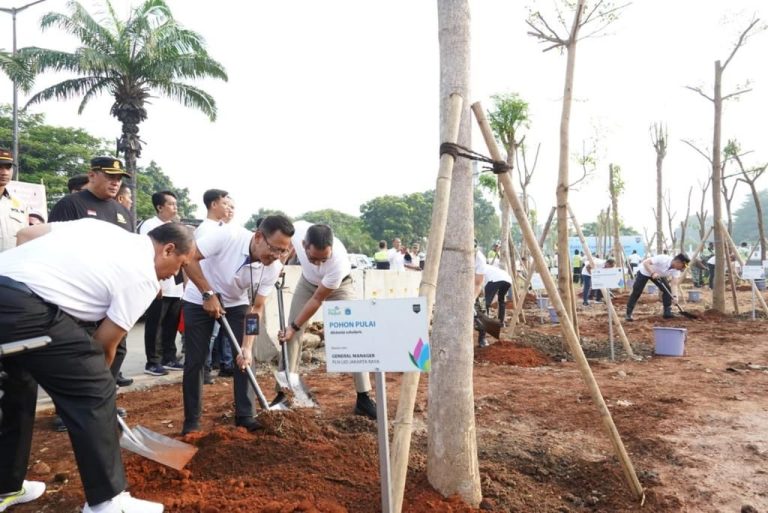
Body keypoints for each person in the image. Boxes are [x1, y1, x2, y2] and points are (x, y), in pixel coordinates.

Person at [0, 218, 194, 513]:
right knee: (95, 388)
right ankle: (107, 502)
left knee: (20, 386)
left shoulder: (99, 228)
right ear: (168, 249)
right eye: (180, 265)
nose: (175, 275)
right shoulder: (142, 275)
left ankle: (5, 485)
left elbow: (27, 234)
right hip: (27, 310)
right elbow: (105, 345)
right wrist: (95, 386)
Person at [180, 215, 294, 435]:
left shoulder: (272, 267)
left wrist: (248, 346)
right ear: (259, 236)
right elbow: (189, 259)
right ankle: (192, 421)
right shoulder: (227, 236)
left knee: (243, 358)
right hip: (198, 296)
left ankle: (245, 415)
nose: (277, 256)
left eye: (283, 251)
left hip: (236, 302)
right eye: (274, 248)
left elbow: (256, 308)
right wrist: (207, 293)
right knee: (196, 360)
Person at [47, 156, 135, 431]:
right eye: (110, 176)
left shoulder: (122, 212)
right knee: (77, 351)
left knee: (115, 348)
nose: (115, 182)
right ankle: (67, 410)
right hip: (78, 294)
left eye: (119, 178)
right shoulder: (70, 205)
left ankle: (102, 400)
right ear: (92, 175)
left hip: (112, 294)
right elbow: (54, 248)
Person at [273, 221, 377, 419]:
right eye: (314, 258)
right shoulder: (297, 231)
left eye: (324, 259)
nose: (319, 263)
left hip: (339, 286)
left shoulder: (338, 262)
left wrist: (295, 326)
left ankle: (363, 397)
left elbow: (318, 300)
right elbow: (282, 240)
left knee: (356, 334)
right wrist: (282, 259)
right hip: (308, 283)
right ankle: (283, 393)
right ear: (304, 245)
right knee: (290, 337)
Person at [140, 191, 184, 376]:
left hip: (176, 285)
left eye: (175, 204)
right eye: (171, 204)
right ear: (159, 207)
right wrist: (154, 282)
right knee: (155, 324)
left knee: (171, 324)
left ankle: (169, 357)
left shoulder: (175, 227)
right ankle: (153, 362)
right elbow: (147, 255)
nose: (175, 207)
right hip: (159, 283)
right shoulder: (150, 226)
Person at [625, 252, 690, 321]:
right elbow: (646, 263)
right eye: (683, 266)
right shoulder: (663, 258)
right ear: (678, 262)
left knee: (667, 290)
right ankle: (628, 314)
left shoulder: (676, 271)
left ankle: (667, 312)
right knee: (637, 291)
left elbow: (674, 284)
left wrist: (675, 297)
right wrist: (653, 273)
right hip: (645, 271)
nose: (682, 269)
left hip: (658, 275)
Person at [0, 148, 28, 253]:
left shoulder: (20, 204)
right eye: (0, 167)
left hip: (11, 265)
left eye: (8, 168)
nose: (4, 172)